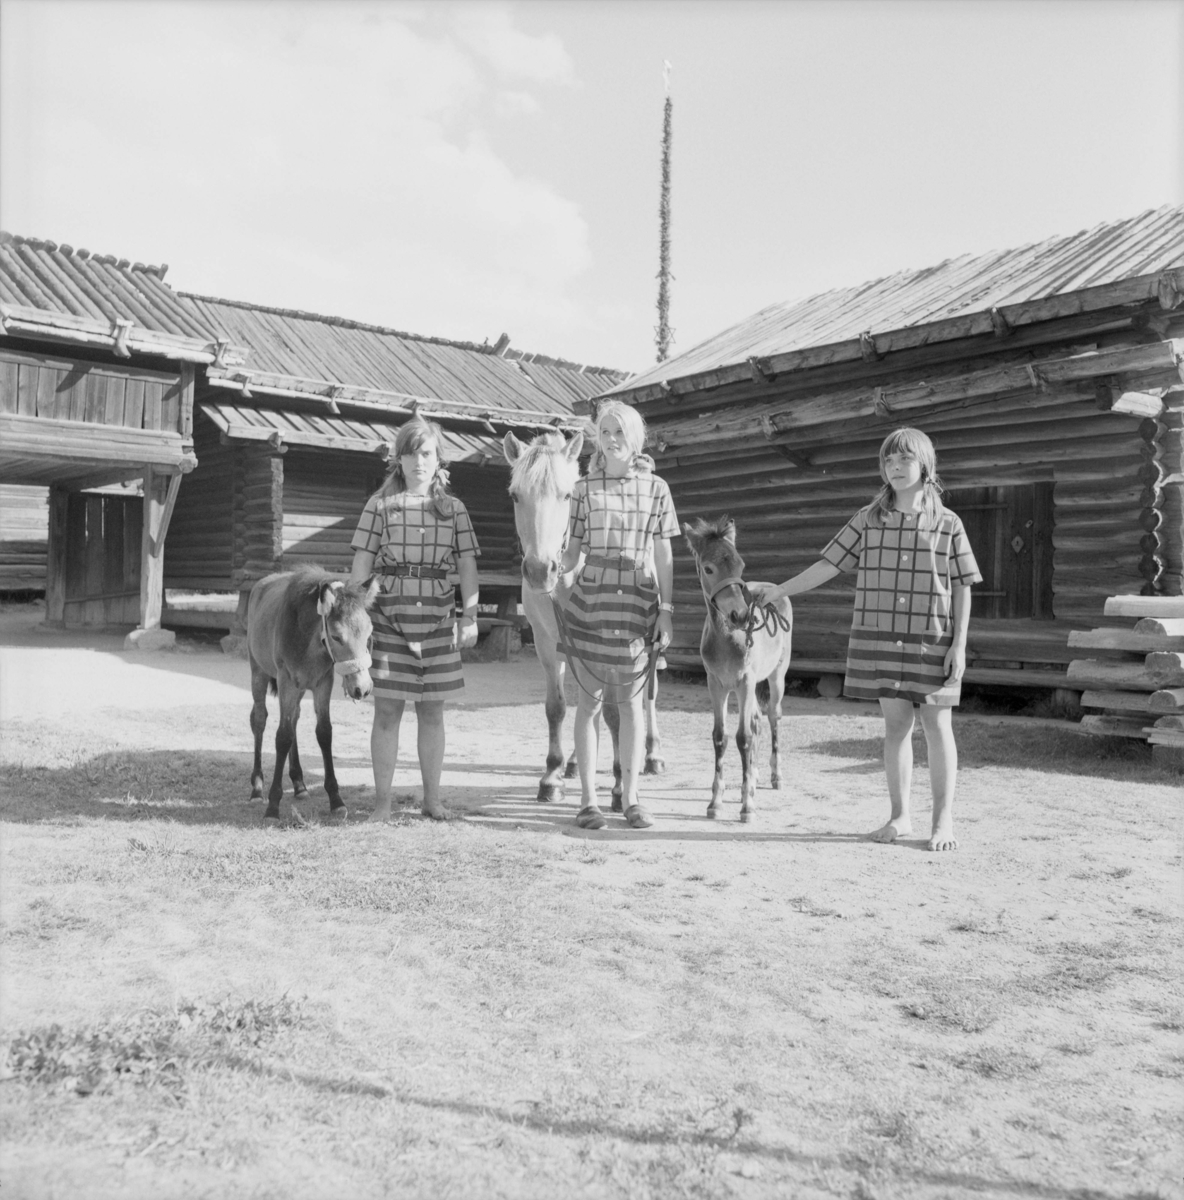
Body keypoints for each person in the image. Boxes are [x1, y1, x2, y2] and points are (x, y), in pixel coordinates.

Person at [753, 427, 980, 851]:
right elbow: (829, 565)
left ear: (925, 465)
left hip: (933, 641)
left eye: (905, 459)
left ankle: (943, 821)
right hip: (880, 638)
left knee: (937, 727)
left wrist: (959, 644)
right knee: (896, 727)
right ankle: (899, 817)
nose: (895, 467)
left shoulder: (949, 523)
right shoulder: (867, 519)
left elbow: (963, 584)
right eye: (888, 461)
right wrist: (781, 590)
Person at [349, 416, 480, 822]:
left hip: (439, 620)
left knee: (432, 713)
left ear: (438, 459)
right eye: (410, 454)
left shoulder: (454, 510)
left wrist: (470, 615)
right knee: (387, 712)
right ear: (399, 460)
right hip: (389, 618)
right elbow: (362, 563)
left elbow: (467, 566)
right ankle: (383, 804)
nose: (419, 462)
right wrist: (356, 617)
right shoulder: (379, 505)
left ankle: (432, 800)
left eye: (426, 453)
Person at [557, 400, 679, 830]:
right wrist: (551, 568)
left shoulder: (657, 489)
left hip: (638, 601)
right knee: (588, 704)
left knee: (630, 704)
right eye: (605, 432)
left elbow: (663, 555)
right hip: (592, 597)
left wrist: (666, 610)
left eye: (619, 432)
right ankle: (588, 800)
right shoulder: (582, 489)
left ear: (636, 438)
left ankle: (631, 797)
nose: (611, 440)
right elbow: (571, 553)